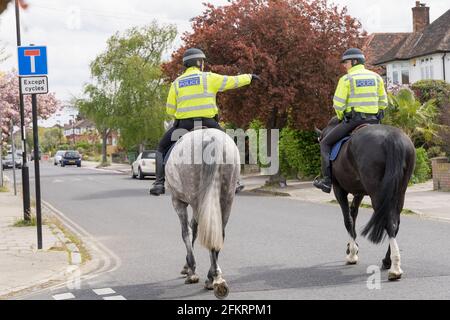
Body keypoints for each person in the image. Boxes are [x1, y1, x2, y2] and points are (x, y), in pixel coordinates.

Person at [150, 48, 261, 196]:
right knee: (230, 145)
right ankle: (235, 181)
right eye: (202, 61)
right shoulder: (208, 78)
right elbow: (232, 81)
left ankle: (158, 183)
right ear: (198, 62)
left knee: (162, 149)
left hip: (184, 126)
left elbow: (170, 110)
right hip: (209, 124)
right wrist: (249, 77)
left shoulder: (176, 83)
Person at [313, 48, 387, 194]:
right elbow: (383, 102)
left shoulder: (347, 79)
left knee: (325, 143)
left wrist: (341, 116)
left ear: (354, 62)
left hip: (354, 121)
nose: (344, 65)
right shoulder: (376, 77)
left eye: (345, 62)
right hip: (374, 122)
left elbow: (338, 104)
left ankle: (327, 181)